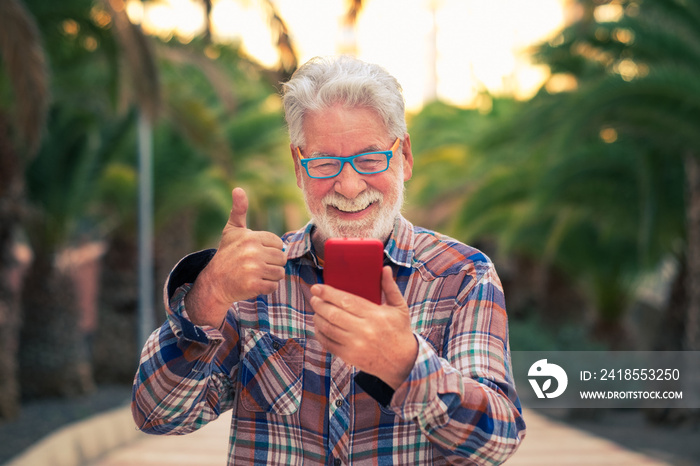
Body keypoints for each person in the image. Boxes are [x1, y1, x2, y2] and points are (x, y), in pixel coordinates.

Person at [131, 55, 526, 465]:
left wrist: (407, 366)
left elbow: (496, 442)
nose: (350, 186)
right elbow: (158, 415)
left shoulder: (462, 276)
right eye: (324, 163)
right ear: (299, 168)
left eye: (370, 159)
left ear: (404, 157)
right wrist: (210, 293)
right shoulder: (254, 282)